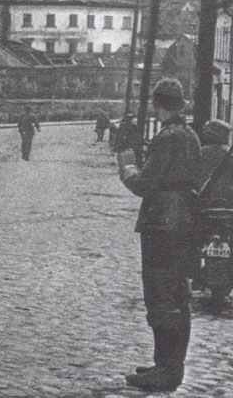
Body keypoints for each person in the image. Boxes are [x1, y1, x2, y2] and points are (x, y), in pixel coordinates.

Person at [117, 78, 202, 392]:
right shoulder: (190, 135)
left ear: (158, 104)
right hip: (183, 221)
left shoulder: (167, 138)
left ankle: (166, 371)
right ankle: (168, 364)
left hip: (162, 223)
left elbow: (145, 184)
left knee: (160, 293)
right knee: (177, 293)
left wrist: (127, 167)